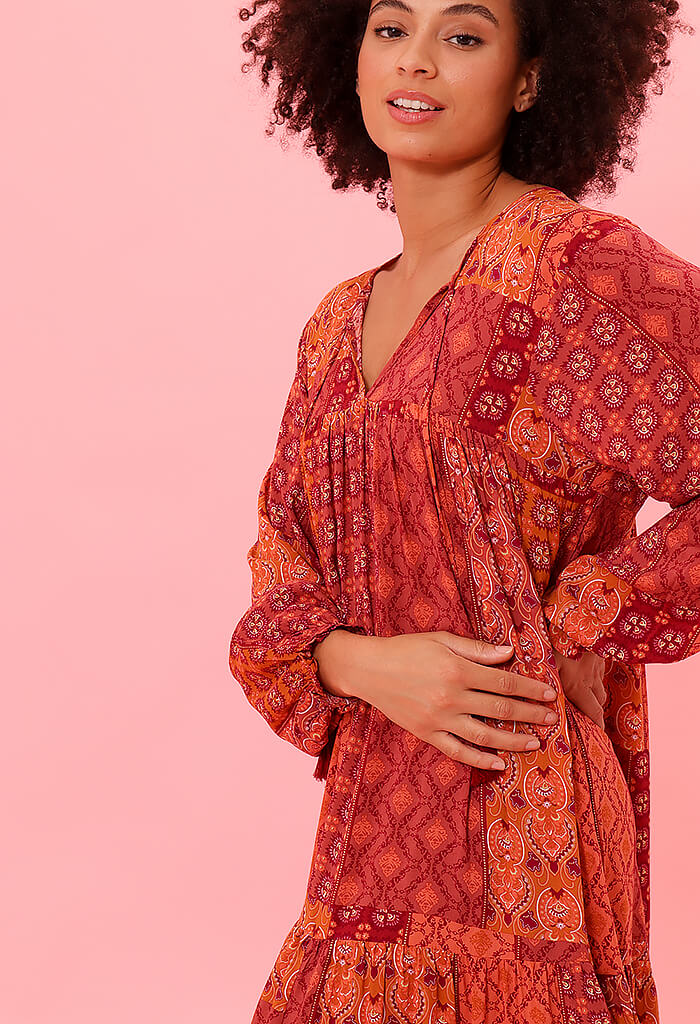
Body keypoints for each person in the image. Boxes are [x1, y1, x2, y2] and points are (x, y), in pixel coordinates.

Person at [230, 0, 697, 1020]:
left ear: (529, 79)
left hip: (529, 836)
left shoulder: (571, 270)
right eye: (391, 29)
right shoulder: (334, 326)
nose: (418, 61)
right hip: (365, 843)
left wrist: (586, 615)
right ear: (348, 59)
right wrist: (360, 663)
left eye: (465, 35)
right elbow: (279, 570)